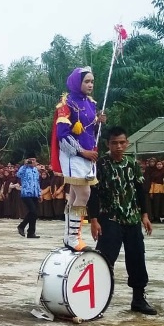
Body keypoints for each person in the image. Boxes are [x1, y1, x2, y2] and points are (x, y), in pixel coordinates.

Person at [88, 127, 157, 315]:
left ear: (127, 143)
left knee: (137, 258)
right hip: (109, 218)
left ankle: (138, 299)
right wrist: (93, 220)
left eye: (121, 142)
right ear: (108, 144)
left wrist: (144, 215)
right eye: (114, 143)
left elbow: (140, 190)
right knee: (104, 260)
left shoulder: (132, 164)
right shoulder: (100, 165)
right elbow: (92, 194)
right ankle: (96, 301)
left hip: (132, 218)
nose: (118, 146)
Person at [51, 66, 106, 251]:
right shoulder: (66, 104)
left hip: (89, 153)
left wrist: (98, 122)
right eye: (87, 81)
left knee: (74, 195)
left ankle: (70, 237)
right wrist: (82, 152)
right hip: (73, 154)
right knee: (84, 194)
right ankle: (74, 238)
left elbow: (90, 131)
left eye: (92, 81)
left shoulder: (91, 102)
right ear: (77, 82)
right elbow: (63, 135)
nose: (90, 85)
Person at [16, 157, 42, 239]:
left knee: (34, 214)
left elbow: (37, 182)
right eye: (31, 160)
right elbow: (18, 175)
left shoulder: (35, 170)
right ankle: (21, 226)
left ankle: (31, 232)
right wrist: (24, 165)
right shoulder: (24, 169)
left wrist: (39, 193)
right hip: (26, 193)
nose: (32, 161)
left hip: (34, 193)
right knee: (33, 211)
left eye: (34, 160)